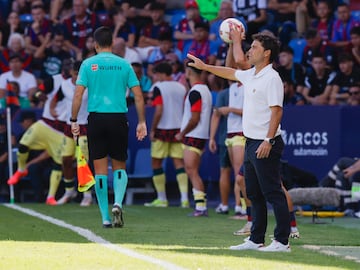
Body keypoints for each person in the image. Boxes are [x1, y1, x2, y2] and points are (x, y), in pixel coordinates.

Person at [187, 29, 291, 251]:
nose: (249, 50)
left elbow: (277, 112)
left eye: (254, 47)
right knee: (253, 192)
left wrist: (268, 140)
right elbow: (230, 71)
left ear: (267, 53)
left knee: (272, 191)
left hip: (265, 142)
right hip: (251, 141)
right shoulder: (252, 73)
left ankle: (282, 241)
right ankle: (256, 239)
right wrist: (204, 67)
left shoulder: (272, 78)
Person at [71, 26, 147, 228]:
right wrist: (141, 121)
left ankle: (105, 216)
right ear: (112, 44)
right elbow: (138, 95)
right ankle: (118, 203)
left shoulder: (88, 64)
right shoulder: (124, 64)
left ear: (95, 45)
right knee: (120, 165)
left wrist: (73, 120)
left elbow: (78, 95)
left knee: (100, 170)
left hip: (96, 119)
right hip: (118, 118)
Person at [7, 69, 69, 205]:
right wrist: (40, 94)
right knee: (23, 145)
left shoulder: (83, 85)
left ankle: (50, 197)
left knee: (59, 163)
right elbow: (35, 93)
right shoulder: (54, 80)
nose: (70, 71)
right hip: (46, 123)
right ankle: (21, 169)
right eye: (67, 67)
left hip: (62, 130)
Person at [144, 62, 189, 208]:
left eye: (156, 74)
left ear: (161, 74)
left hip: (162, 129)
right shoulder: (182, 87)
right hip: (178, 129)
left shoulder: (158, 87)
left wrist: (153, 129)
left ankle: (162, 199)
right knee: (179, 164)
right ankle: (184, 199)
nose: (155, 77)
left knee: (156, 163)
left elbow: (159, 110)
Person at [50, 60, 93, 207]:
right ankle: (69, 192)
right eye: (75, 74)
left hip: (85, 126)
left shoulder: (91, 85)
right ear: (71, 73)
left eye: (80, 74)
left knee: (82, 162)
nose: (78, 77)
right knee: (66, 160)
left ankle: (87, 195)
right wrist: (51, 109)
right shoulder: (65, 85)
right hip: (69, 126)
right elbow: (55, 99)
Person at [175, 61, 212, 217]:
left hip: (193, 135)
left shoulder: (196, 92)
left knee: (192, 171)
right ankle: (200, 205)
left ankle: (201, 207)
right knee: (192, 171)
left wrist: (182, 133)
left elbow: (195, 118)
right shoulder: (205, 90)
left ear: (189, 73)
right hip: (199, 134)